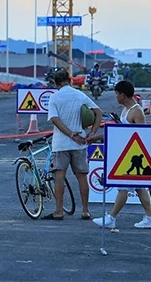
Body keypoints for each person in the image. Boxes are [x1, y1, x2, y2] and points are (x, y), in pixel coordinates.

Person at [92, 81, 151, 229]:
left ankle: (111, 218)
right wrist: (96, 138)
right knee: (139, 187)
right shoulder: (125, 110)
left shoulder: (136, 111)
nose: (115, 97)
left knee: (123, 188)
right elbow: (119, 132)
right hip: (127, 154)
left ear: (122, 95)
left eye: (116, 94)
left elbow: (142, 136)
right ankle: (150, 218)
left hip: (133, 156)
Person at [44, 69, 102, 220]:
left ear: (55, 83)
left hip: (60, 144)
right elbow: (99, 112)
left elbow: (54, 119)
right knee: (82, 177)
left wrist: (70, 134)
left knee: (59, 177)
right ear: (69, 80)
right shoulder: (79, 95)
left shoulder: (54, 97)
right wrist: (92, 132)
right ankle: (85, 211)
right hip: (80, 143)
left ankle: (59, 211)